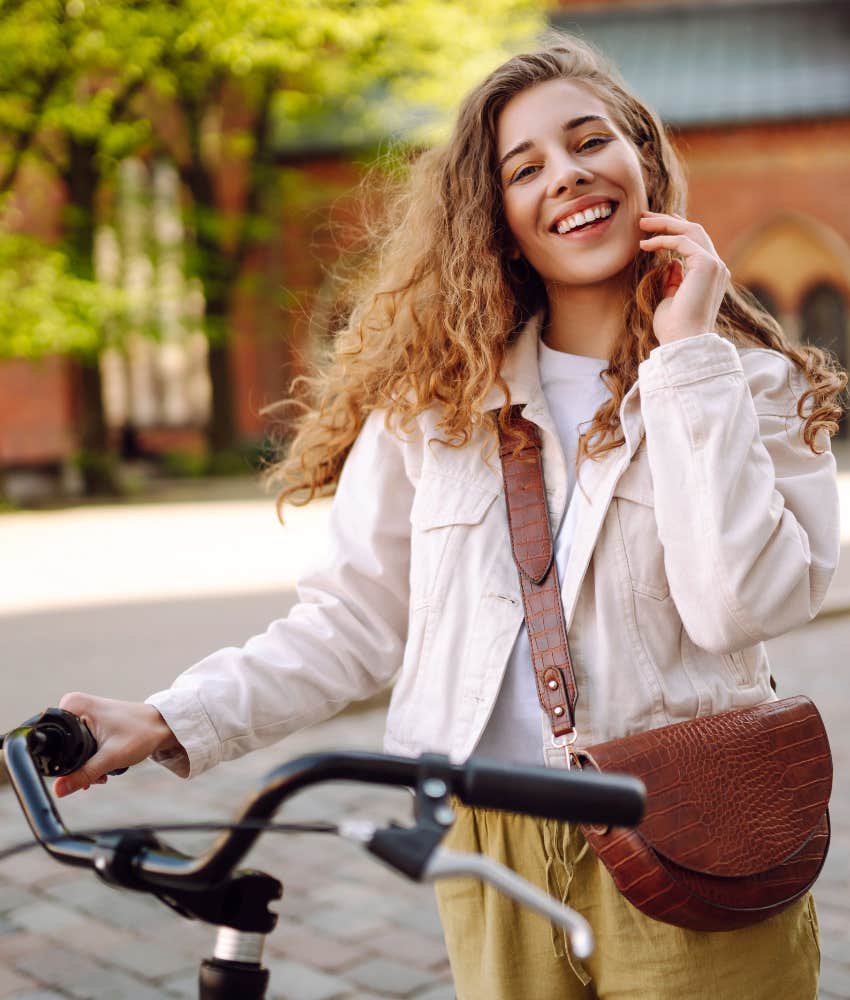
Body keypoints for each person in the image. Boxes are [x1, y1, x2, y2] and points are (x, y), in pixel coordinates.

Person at [54, 32, 844, 1000]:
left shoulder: (748, 383)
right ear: (497, 215)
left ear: (643, 158)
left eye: (590, 141)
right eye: (525, 166)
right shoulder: (433, 406)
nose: (565, 174)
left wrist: (685, 361)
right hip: (487, 840)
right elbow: (354, 621)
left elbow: (736, 607)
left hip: (687, 824)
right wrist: (170, 716)